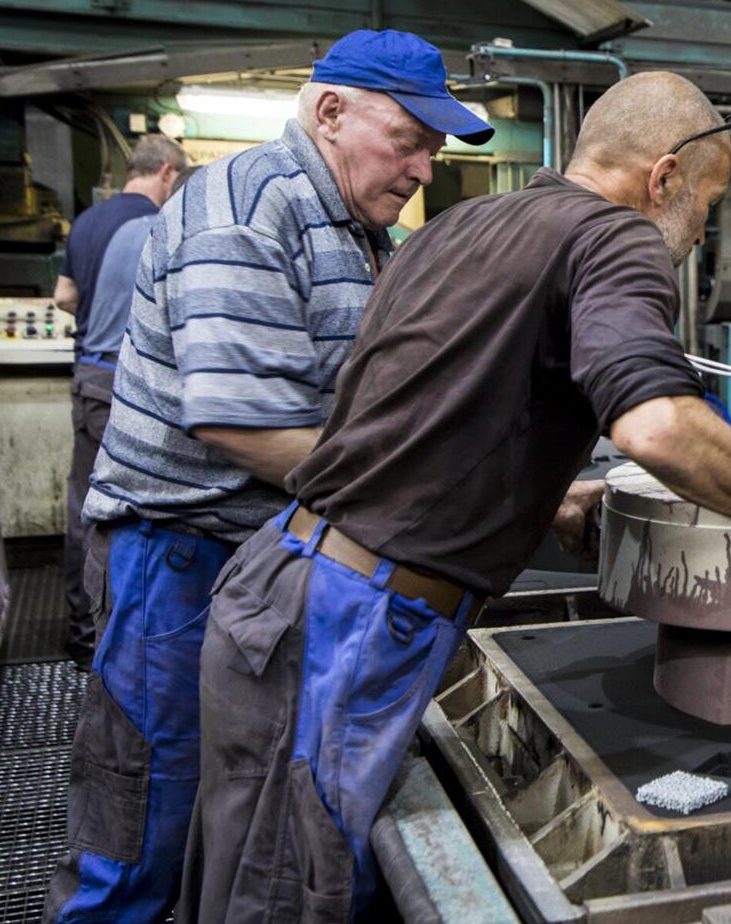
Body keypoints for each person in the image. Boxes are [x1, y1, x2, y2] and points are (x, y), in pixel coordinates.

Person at [181, 71, 731, 923]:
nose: (695, 237)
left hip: (283, 588)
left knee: (255, 882)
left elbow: (404, 418)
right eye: (705, 204)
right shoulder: (615, 239)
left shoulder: (461, 227)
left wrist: (545, 499)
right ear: (663, 178)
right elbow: (654, 425)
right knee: (286, 900)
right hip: (349, 626)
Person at [43, 30, 493, 924]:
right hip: (178, 559)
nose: (421, 169)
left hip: (269, 557)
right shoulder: (250, 209)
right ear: (330, 111)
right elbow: (242, 423)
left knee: (244, 822)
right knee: (142, 830)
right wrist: (419, 497)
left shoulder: (363, 237)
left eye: (433, 151)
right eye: (408, 139)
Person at [54, 135, 190, 669]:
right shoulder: (156, 227)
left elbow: (64, 296)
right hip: (120, 383)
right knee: (130, 516)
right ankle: (118, 646)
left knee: (83, 506)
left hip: (87, 372)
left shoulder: (90, 220)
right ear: (166, 175)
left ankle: (83, 634)